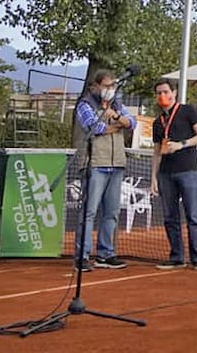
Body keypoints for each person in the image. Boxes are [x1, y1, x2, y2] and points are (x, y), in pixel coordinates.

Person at [71, 68, 136, 271]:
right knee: (89, 212)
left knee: (112, 212)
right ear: (95, 86)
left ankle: (105, 254)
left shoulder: (116, 104)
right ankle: (82, 256)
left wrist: (115, 117)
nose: (110, 89)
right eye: (107, 86)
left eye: (113, 86)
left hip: (116, 164)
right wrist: (118, 125)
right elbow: (94, 128)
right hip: (95, 163)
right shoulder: (85, 104)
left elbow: (132, 122)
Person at [150, 79, 197, 270]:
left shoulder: (187, 111)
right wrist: (154, 177)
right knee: (170, 217)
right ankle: (177, 256)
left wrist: (182, 144)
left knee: (193, 215)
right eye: (158, 93)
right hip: (166, 174)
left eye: (165, 91)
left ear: (174, 92)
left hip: (188, 170)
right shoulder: (158, 122)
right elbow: (157, 151)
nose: (162, 96)